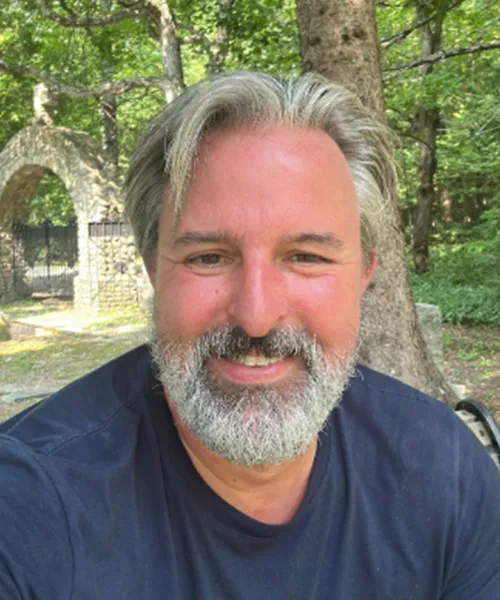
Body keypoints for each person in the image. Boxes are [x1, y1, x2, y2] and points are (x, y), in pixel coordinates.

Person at [1, 71, 499, 599]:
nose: (256, 317)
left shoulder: (442, 469)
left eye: (306, 257)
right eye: (208, 258)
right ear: (153, 269)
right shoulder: (27, 504)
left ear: (363, 274)